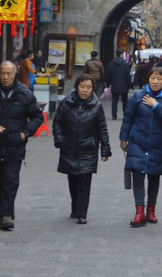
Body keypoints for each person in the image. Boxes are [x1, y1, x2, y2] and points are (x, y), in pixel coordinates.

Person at [0, 60, 44, 231]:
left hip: (15, 143)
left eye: (9, 73)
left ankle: (6, 214)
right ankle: (4, 211)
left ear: (15, 74)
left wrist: (25, 133)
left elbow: (37, 116)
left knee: (10, 180)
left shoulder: (24, 94)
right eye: (3, 73)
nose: (6, 77)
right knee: (0, 181)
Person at [120, 66, 162, 227]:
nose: (155, 81)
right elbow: (128, 118)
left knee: (154, 175)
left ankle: (151, 210)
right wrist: (124, 138)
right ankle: (139, 212)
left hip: (156, 144)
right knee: (137, 174)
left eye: (159, 79)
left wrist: (156, 105)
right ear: (148, 79)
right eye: (153, 78)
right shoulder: (138, 96)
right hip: (137, 142)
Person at [54, 73, 111, 224]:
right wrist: (60, 140)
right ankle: (75, 208)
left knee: (84, 181)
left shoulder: (96, 106)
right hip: (69, 148)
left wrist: (105, 150)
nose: (85, 90)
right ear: (77, 87)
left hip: (88, 149)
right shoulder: (67, 103)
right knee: (73, 179)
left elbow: (102, 129)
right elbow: (57, 122)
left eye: (88, 87)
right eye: (82, 86)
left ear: (93, 89)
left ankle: (82, 213)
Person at [106, 51, 132, 119]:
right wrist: (130, 85)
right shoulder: (125, 64)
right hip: (124, 85)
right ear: (121, 54)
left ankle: (114, 115)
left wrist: (108, 84)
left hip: (114, 84)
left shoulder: (111, 64)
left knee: (114, 101)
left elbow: (108, 75)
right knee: (125, 101)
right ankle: (125, 115)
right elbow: (127, 76)